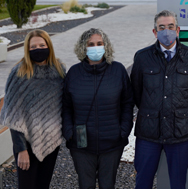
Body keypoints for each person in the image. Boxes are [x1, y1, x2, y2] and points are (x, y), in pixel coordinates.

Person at [131, 10, 188, 189]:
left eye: (170, 27)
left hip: (180, 132)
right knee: (143, 182)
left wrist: (179, 110)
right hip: (149, 133)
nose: (166, 31)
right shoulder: (142, 57)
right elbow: (136, 92)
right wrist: (152, 110)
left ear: (178, 30)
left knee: (178, 183)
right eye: (161, 27)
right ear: (155, 32)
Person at [62, 28, 134, 189]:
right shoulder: (74, 73)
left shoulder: (118, 70)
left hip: (112, 144)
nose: (95, 47)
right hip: (81, 145)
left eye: (99, 43)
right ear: (83, 47)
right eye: (91, 44)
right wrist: (69, 132)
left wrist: (123, 131)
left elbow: (127, 103)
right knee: (85, 185)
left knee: (107, 185)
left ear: (106, 46)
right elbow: (66, 106)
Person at [0, 30, 65, 189]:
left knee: (43, 185)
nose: (38, 49)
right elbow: (13, 116)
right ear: (27, 50)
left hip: (51, 142)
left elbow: (64, 104)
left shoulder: (59, 70)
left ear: (48, 46)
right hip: (26, 145)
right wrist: (21, 150)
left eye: (42, 45)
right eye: (33, 46)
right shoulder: (20, 73)